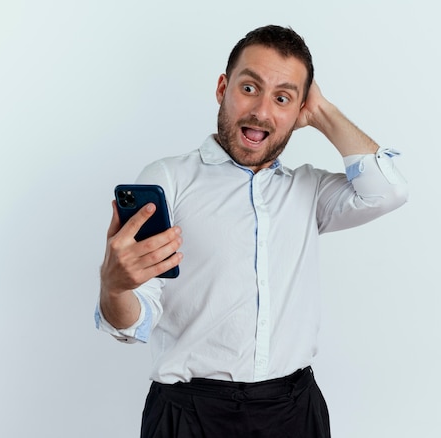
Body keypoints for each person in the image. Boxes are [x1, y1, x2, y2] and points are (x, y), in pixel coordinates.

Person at [95, 25, 408, 437]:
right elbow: (135, 321)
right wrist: (114, 288)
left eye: (282, 98)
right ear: (223, 88)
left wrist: (322, 111)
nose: (262, 111)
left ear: (299, 113)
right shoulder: (169, 180)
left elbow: (387, 191)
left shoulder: (308, 189)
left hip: (294, 413)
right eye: (249, 88)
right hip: (189, 416)